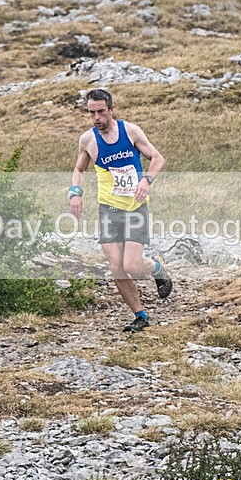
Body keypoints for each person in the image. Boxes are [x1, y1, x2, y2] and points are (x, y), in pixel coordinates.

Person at [69, 88, 172, 332]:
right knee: (116, 267)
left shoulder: (131, 131)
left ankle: (157, 267)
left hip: (134, 208)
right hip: (108, 211)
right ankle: (140, 316)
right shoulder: (88, 140)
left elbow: (157, 158)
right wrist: (75, 192)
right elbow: (79, 169)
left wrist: (146, 181)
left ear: (111, 109)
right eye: (91, 113)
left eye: (101, 112)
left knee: (132, 266)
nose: (96, 118)